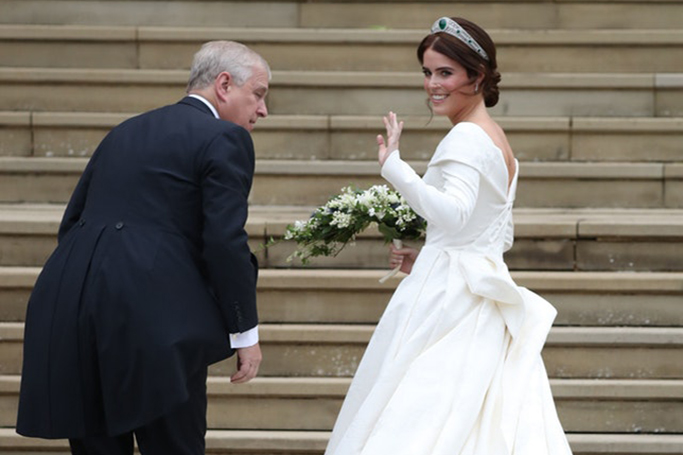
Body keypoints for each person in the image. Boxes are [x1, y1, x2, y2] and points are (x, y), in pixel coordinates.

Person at [325, 17, 573, 454]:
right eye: (427, 72)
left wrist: (395, 168)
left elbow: (455, 215)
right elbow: (498, 233)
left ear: (476, 76)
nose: (433, 85)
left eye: (445, 73)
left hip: (449, 302)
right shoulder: (497, 139)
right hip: (479, 291)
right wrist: (432, 254)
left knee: (418, 420)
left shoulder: (466, 138)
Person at [16, 41, 270, 455]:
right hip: (157, 321)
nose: (262, 110)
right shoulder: (226, 137)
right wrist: (245, 332)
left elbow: (72, 222)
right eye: (258, 95)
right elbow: (224, 240)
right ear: (224, 84)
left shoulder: (126, 130)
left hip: (71, 307)